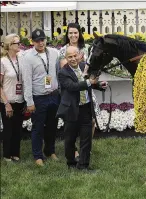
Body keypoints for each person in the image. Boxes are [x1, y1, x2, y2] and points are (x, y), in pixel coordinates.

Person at [57, 46, 107, 171]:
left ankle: (84, 165)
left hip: (85, 108)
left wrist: (100, 85)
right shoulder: (63, 72)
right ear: (66, 58)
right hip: (71, 110)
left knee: (86, 139)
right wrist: (90, 82)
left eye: (75, 56)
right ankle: (71, 163)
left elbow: (90, 84)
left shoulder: (84, 66)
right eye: (70, 57)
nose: (73, 59)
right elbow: (73, 86)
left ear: (79, 55)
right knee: (70, 139)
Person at [57, 23, 101, 161]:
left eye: (75, 33)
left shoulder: (86, 49)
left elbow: (90, 72)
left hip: (86, 95)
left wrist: (98, 84)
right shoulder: (63, 56)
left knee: (89, 124)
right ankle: (73, 155)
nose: (73, 35)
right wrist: (88, 81)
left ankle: (84, 155)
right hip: (73, 97)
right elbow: (70, 80)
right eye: (70, 33)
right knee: (71, 133)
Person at [22, 29, 60, 166]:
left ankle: (50, 151)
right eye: (37, 41)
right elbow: (26, 80)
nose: (40, 43)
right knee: (38, 127)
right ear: (32, 42)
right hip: (39, 97)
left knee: (52, 126)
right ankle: (38, 155)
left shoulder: (54, 53)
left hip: (53, 95)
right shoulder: (27, 57)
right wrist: (30, 102)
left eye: (42, 40)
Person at [0, 34, 25, 162]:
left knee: (17, 129)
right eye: (17, 43)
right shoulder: (3, 61)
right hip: (7, 100)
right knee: (8, 129)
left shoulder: (21, 58)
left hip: (20, 100)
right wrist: (6, 103)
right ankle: (6, 155)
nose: (19, 44)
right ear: (10, 45)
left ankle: (16, 153)